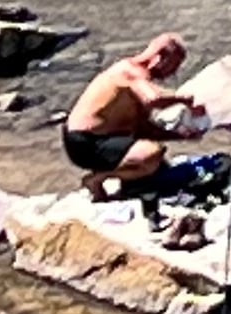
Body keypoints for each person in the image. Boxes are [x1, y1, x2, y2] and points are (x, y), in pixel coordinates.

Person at [61, 35, 202, 199]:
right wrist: (185, 100)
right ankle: (97, 179)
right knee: (152, 154)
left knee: (159, 172)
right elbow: (153, 99)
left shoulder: (139, 81)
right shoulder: (129, 71)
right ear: (159, 58)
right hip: (85, 142)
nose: (173, 73)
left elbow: (143, 128)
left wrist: (181, 135)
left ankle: (110, 185)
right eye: (173, 65)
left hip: (107, 139)